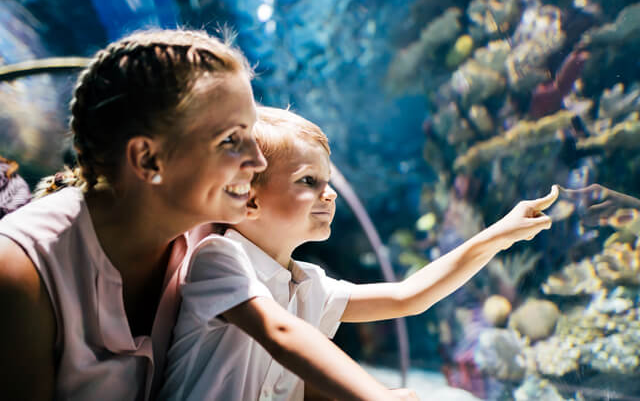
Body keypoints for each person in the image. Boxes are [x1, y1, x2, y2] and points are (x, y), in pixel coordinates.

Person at [160, 106, 559, 401]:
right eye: (309, 181)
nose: (329, 194)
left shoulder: (307, 284)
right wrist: (376, 397)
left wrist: (496, 236)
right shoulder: (219, 258)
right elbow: (280, 334)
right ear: (248, 200)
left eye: (328, 181)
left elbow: (408, 296)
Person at [0, 28, 268, 401]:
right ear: (147, 158)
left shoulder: (218, 230)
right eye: (230, 140)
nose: (259, 160)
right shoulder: (20, 272)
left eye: (253, 135)